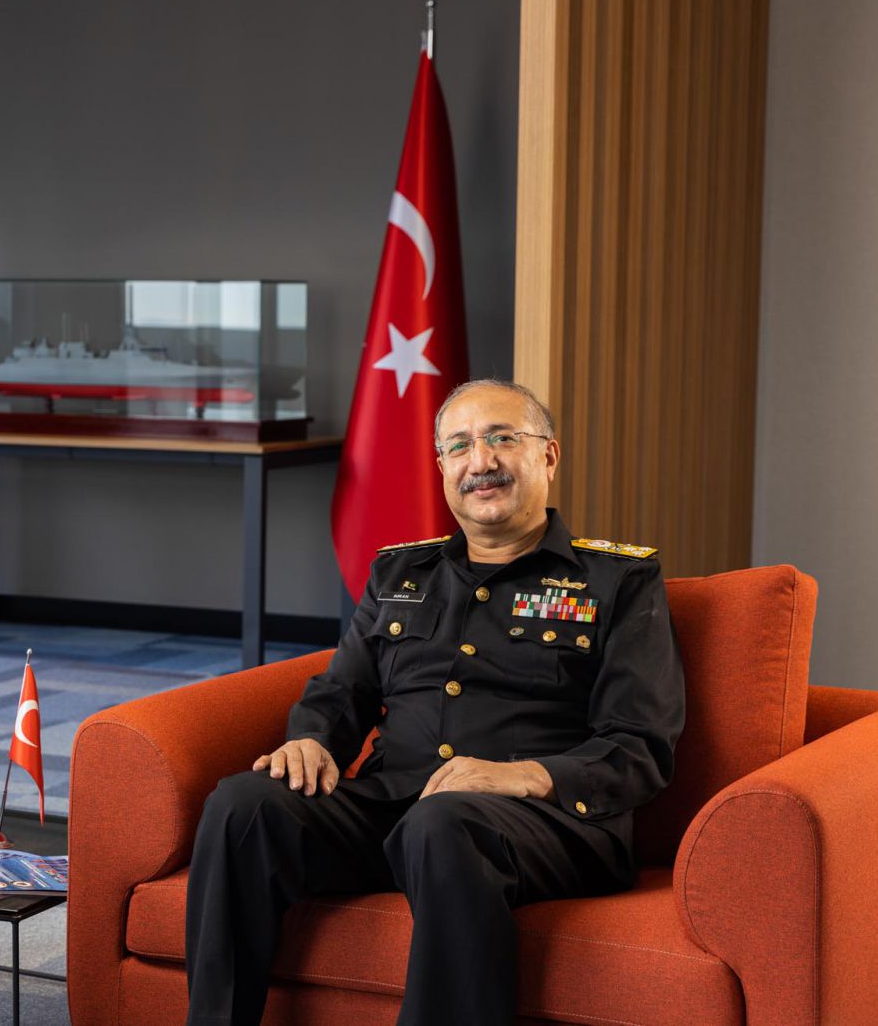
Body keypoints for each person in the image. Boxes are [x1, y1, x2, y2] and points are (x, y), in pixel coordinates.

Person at [184, 379, 685, 1025]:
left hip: (547, 823)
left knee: (442, 824)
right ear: (443, 466)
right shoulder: (400, 574)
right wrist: (311, 739)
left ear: (548, 455)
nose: (482, 460)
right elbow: (344, 688)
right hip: (397, 807)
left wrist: (519, 777)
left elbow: (640, 744)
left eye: (502, 438)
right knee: (243, 805)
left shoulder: (618, 581)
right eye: (460, 445)